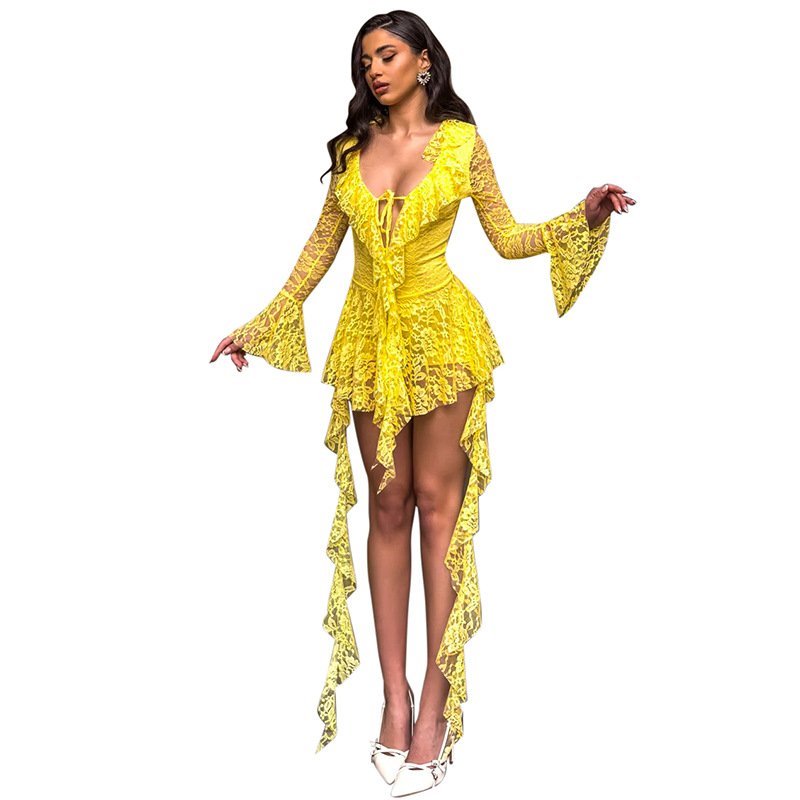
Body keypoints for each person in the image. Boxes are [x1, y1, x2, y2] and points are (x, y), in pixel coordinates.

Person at [210, 10, 633, 796]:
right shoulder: (352, 150)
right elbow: (319, 250)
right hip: (370, 343)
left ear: (424, 61)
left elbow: (506, 238)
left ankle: (436, 706)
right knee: (387, 506)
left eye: (387, 55)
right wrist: (260, 323)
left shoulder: (462, 143)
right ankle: (394, 699)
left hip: (443, 338)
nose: (374, 69)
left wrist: (584, 215)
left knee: (439, 511)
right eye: (364, 59)